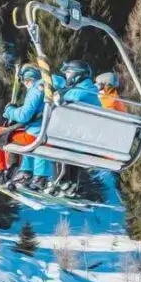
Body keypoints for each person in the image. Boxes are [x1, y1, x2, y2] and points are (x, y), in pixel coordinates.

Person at [0, 65, 53, 191]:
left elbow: (24, 116)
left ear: (28, 80)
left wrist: (10, 111)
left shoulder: (36, 90)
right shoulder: (54, 89)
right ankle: (25, 172)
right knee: (18, 132)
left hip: (35, 137)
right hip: (50, 137)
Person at [51, 59, 102, 198]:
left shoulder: (82, 93)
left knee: (57, 141)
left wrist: (57, 95)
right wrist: (48, 78)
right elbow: (63, 85)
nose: (66, 76)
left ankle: (61, 182)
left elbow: (64, 96)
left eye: (68, 73)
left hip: (79, 138)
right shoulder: (88, 89)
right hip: (84, 138)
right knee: (67, 142)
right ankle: (70, 184)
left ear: (77, 75)